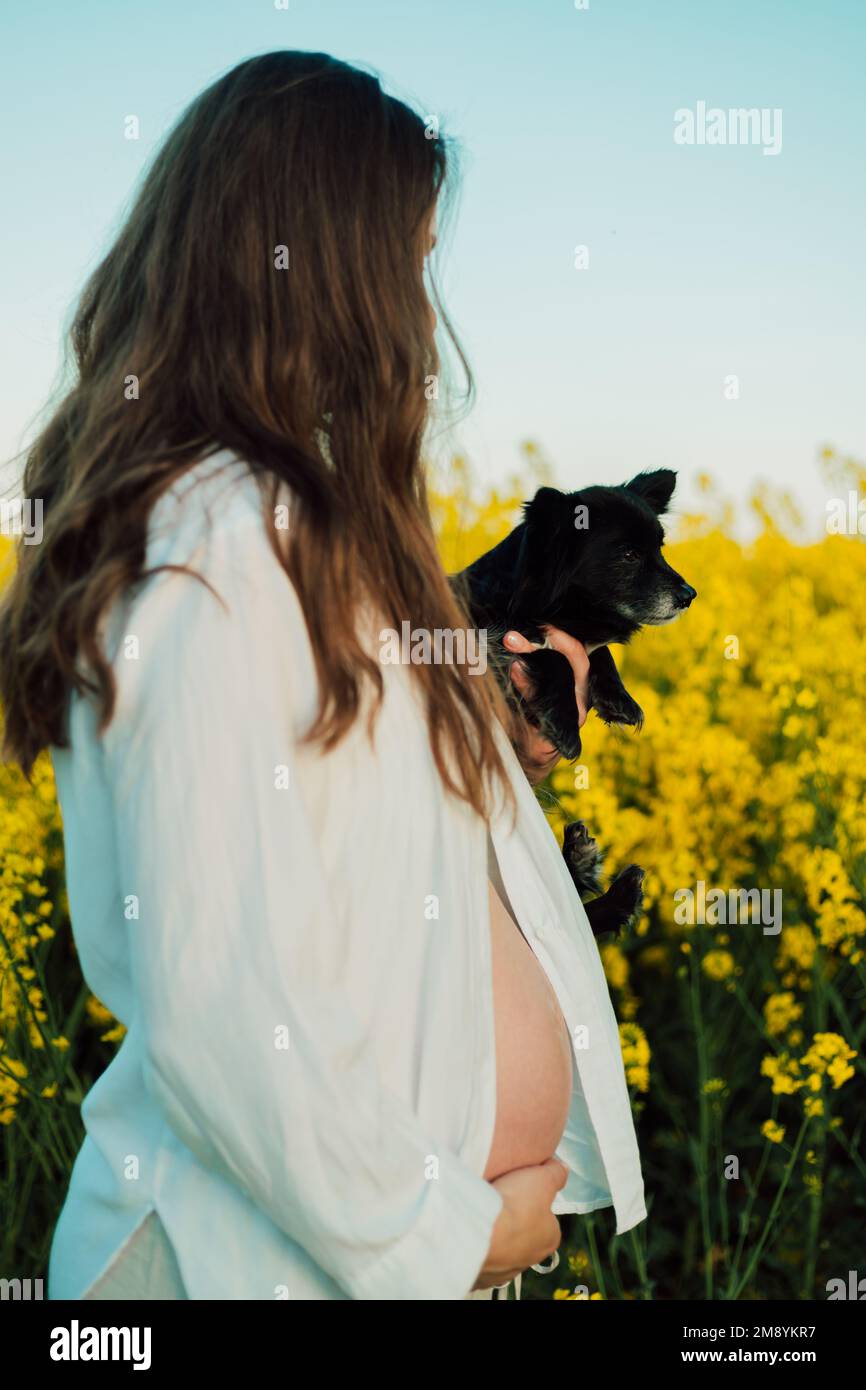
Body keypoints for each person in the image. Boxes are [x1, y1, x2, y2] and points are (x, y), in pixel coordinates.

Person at [0, 51, 645, 1301]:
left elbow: (329, 854)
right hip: (258, 1262)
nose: (420, 312)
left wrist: (481, 750)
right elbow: (223, 999)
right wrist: (446, 1235)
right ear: (324, 270)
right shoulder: (217, 547)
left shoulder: (298, 531)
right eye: (407, 264)